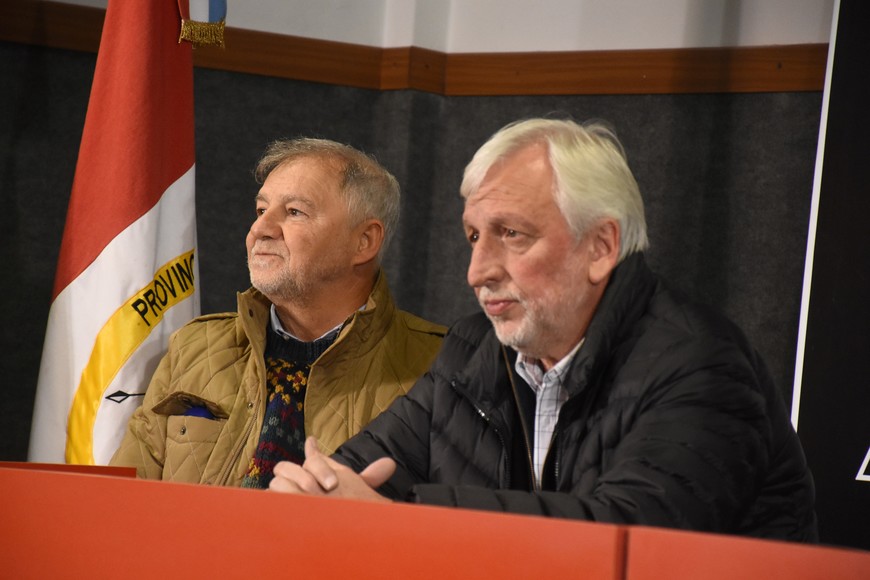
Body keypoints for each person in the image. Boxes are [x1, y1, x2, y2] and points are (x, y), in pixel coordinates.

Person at [269, 118, 819, 542]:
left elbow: (625, 537)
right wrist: (312, 494)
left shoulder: (699, 364)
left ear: (600, 247)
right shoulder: (471, 351)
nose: (477, 272)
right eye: (473, 237)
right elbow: (348, 478)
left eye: (511, 234)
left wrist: (398, 521)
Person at [110, 138, 446, 488]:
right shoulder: (194, 347)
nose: (260, 229)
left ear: (364, 241)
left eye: (294, 212)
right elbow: (122, 502)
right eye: (260, 211)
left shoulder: (438, 366)